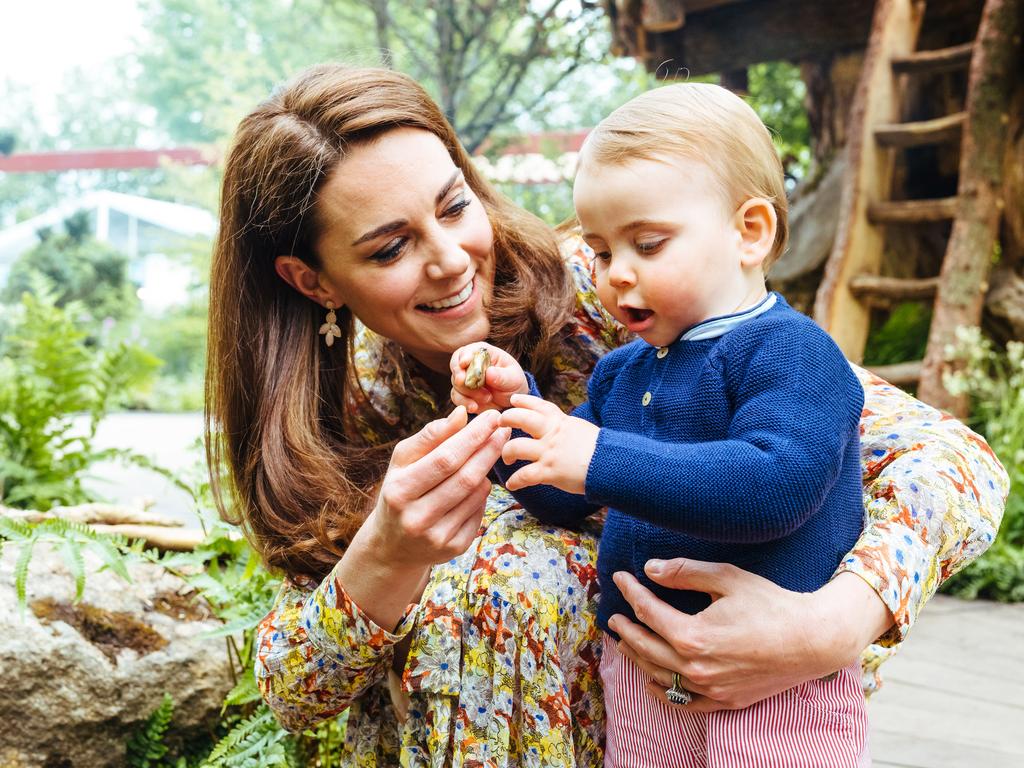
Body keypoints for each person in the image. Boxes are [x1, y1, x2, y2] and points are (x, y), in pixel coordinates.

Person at [205, 63, 1008, 767]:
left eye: (454, 207)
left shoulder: (627, 295)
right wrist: (385, 556)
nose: (450, 260)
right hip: (601, 732)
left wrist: (832, 627)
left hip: (739, 716)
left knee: (512, 567)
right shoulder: (340, 417)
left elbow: (953, 461)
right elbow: (295, 690)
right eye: (389, 249)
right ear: (313, 282)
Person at [451, 82, 869, 766]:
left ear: (749, 232)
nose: (617, 275)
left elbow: (777, 484)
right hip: (642, 671)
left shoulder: (792, 352)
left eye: (648, 243)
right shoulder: (624, 373)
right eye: (604, 251)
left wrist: (598, 457)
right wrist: (510, 416)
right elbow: (562, 491)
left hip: (775, 684)